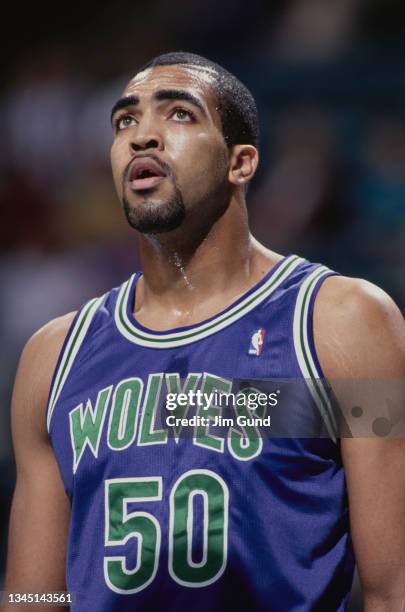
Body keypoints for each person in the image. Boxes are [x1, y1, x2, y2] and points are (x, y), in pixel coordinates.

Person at [4, 52, 404, 612]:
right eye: (125, 121)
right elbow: (32, 596)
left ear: (241, 162)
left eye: (179, 115)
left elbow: (395, 587)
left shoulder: (344, 320)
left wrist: (232, 408)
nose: (142, 136)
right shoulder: (52, 357)